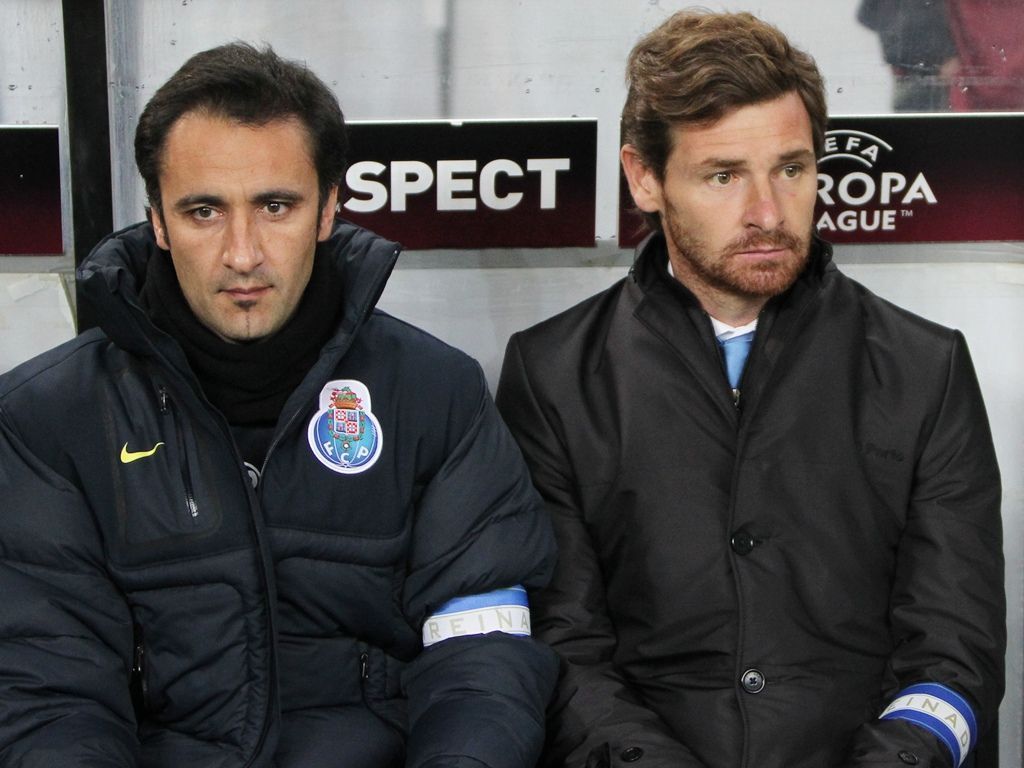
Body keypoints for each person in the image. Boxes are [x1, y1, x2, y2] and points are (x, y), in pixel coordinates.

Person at [0, 43, 557, 767]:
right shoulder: (48, 418)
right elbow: (50, 692)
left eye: (275, 205)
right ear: (158, 223)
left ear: (328, 208)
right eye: (204, 211)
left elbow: (484, 657)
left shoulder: (434, 393)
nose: (242, 252)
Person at [496, 10, 1004, 768]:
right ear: (644, 177)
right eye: (725, 175)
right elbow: (562, 650)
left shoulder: (924, 368)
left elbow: (955, 649)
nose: (768, 213)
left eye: (792, 169)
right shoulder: (552, 374)